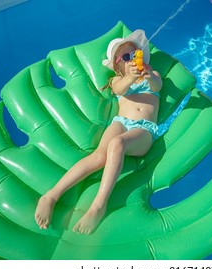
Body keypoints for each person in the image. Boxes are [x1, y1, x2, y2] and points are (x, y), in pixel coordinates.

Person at [34, 30, 162, 234]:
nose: (132, 59)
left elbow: (157, 84)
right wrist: (129, 77)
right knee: (98, 156)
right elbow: (119, 89)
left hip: (143, 131)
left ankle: (98, 207)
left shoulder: (152, 75)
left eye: (135, 53)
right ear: (118, 65)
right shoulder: (116, 80)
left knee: (117, 144)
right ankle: (51, 195)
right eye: (126, 57)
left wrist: (146, 74)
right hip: (120, 123)